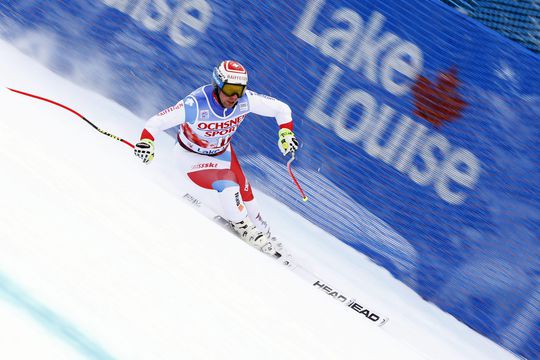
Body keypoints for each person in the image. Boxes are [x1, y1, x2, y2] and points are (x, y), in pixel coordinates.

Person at [134, 60, 298, 258]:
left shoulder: (246, 100)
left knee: (247, 194)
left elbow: (282, 109)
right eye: (229, 89)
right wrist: (146, 142)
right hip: (190, 157)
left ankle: (262, 231)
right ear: (217, 84)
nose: (234, 96)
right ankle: (243, 227)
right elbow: (156, 122)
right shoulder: (196, 104)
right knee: (228, 182)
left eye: (240, 90)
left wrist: (286, 134)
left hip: (223, 152)